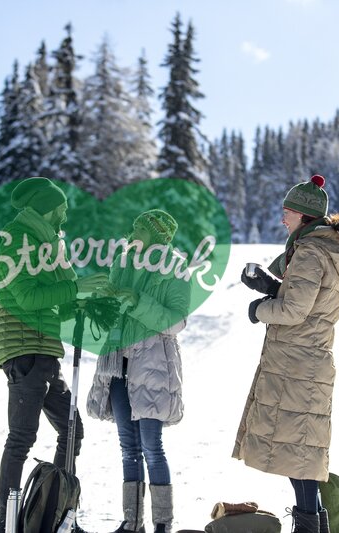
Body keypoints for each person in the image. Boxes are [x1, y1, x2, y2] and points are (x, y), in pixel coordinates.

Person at [234, 175, 339, 533]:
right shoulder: (324, 249)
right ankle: (313, 526)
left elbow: (294, 312)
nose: (282, 220)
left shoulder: (308, 252)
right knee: (299, 453)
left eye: (286, 212)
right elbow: (307, 301)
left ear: (304, 216)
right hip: (305, 361)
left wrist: (259, 308)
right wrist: (270, 285)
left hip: (298, 364)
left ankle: (310, 527)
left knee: (299, 458)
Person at [0, 177, 110, 533]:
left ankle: (56, 511)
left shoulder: (50, 245)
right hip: (24, 350)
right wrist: (75, 288)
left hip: (44, 352)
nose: (66, 216)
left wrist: (93, 302)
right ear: (47, 207)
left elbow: (65, 295)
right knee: (22, 438)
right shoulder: (16, 241)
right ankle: (7, 520)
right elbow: (28, 298)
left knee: (71, 430)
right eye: (62, 209)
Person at [86, 209, 191, 533]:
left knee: (151, 448)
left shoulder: (175, 268)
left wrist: (136, 301)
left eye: (140, 227)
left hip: (153, 367)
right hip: (118, 366)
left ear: (157, 234)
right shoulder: (123, 264)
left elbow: (177, 322)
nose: (132, 232)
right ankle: (132, 523)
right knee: (128, 448)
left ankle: (162, 525)